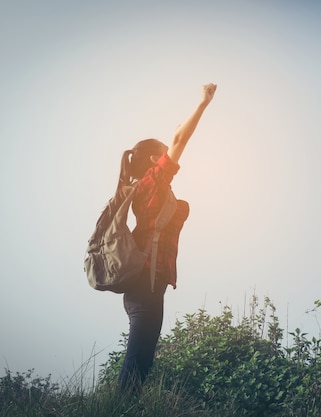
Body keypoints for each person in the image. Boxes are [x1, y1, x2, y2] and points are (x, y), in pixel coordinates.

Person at [116, 83, 217, 394]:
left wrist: (182, 122)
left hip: (150, 285)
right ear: (152, 162)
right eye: (164, 155)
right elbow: (179, 139)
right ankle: (119, 410)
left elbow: (175, 134)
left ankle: (126, 408)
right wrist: (203, 103)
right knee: (136, 363)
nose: (171, 158)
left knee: (143, 362)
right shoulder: (151, 182)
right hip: (144, 284)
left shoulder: (150, 188)